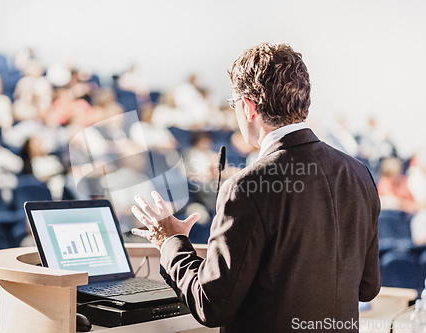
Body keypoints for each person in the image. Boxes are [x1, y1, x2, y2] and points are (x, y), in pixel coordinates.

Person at [130, 42, 381, 332]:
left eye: (234, 104)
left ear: (248, 106)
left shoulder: (246, 186)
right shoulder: (359, 174)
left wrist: (171, 242)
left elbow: (211, 305)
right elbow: (367, 287)